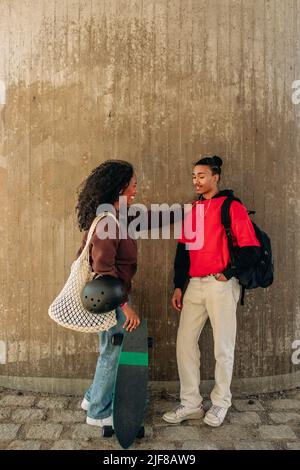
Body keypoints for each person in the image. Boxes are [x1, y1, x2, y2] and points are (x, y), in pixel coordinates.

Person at [162, 155, 261, 427]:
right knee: (184, 343)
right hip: (194, 285)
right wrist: (178, 286)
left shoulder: (232, 206)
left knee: (223, 347)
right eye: (194, 176)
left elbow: (251, 249)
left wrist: (228, 273)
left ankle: (220, 403)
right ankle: (191, 403)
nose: (196, 181)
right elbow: (182, 252)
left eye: (202, 176)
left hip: (221, 285)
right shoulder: (192, 209)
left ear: (215, 177)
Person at [76, 160, 140, 427]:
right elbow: (104, 268)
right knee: (112, 353)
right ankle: (99, 413)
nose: (136, 191)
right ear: (120, 188)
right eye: (133, 186)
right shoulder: (108, 222)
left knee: (108, 350)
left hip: (109, 296)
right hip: (112, 297)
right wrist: (125, 306)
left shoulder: (108, 218)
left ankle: (92, 398)